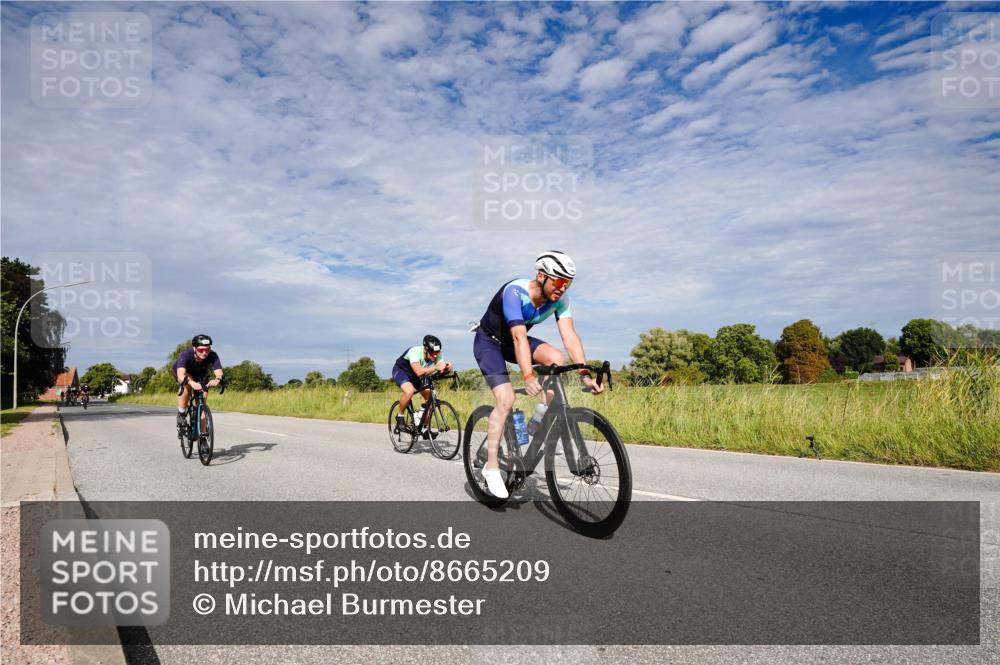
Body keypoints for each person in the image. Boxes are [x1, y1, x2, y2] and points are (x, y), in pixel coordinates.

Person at [472, 251, 603, 499]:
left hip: (513, 342)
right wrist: (528, 376)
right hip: (489, 343)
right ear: (541, 276)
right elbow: (519, 336)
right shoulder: (515, 292)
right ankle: (491, 467)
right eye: (559, 281)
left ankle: (538, 421)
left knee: (556, 359)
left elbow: (570, 337)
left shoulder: (560, 300)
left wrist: (584, 374)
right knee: (506, 400)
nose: (563, 288)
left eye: (568, 283)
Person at [392, 335, 452, 433]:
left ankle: (424, 427)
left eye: (437, 353)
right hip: (402, 372)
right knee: (409, 391)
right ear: (425, 350)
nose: (435, 356)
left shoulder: (436, 354)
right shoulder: (415, 352)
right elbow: (420, 372)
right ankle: (400, 417)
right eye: (432, 353)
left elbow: (439, 368)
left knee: (431, 399)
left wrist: (447, 368)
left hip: (417, 376)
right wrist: (436, 367)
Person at [173, 334, 224, 431]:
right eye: (201, 350)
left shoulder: (213, 355)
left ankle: (203, 437)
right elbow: (181, 375)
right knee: (186, 385)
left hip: (200, 375)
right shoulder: (185, 355)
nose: (204, 353)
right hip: (184, 373)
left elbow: (219, 373)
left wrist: (217, 380)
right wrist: (191, 383)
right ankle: (181, 413)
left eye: (207, 349)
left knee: (202, 405)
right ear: (194, 348)